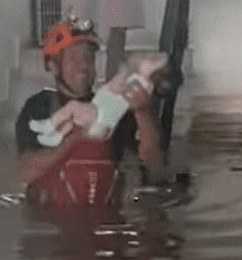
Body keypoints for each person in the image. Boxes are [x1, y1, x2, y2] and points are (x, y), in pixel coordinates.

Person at [16, 17, 161, 208]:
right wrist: (76, 138)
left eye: (88, 57)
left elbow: (153, 168)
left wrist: (141, 113)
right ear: (54, 66)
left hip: (105, 216)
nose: (84, 65)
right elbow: (25, 172)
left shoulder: (112, 107)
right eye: (74, 58)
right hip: (54, 217)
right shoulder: (39, 107)